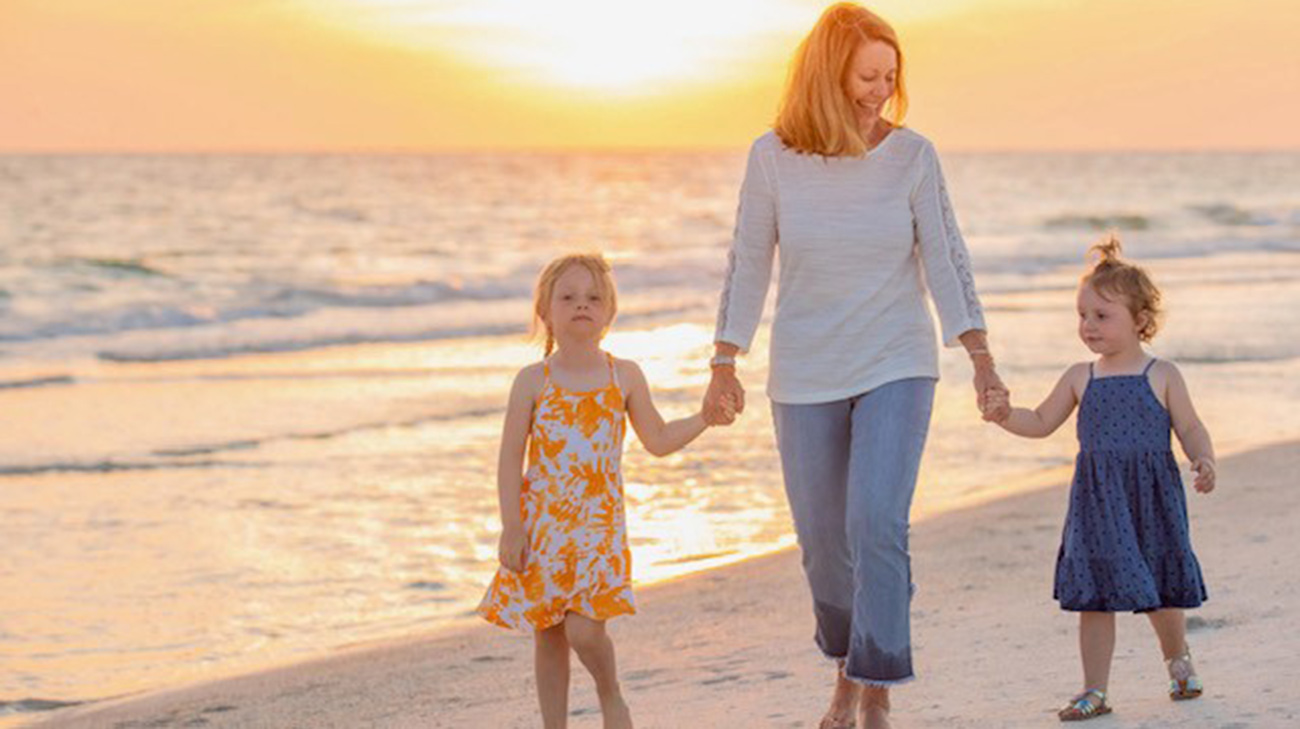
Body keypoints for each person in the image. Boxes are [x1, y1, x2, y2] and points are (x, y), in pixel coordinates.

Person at [702, 4, 1009, 727]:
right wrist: (724, 357)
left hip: (896, 359)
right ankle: (846, 659)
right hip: (805, 369)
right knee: (822, 544)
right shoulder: (772, 157)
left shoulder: (912, 157)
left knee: (877, 520)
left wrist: (980, 358)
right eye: (867, 75)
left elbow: (946, 256)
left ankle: (873, 684)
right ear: (827, 73)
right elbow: (748, 261)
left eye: (890, 76)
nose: (880, 90)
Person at [479, 253, 729, 729]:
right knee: (549, 634)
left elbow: (656, 440)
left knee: (584, 631)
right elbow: (510, 458)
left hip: (598, 530)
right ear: (545, 311)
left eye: (594, 297)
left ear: (610, 313)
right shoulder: (533, 381)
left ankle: (610, 692)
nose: (581, 305)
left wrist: (704, 418)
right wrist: (512, 526)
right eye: (568, 297)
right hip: (544, 529)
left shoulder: (624, 375)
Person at [985, 236, 1215, 721]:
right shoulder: (1079, 376)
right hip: (1097, 503)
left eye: (1102, 316)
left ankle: (1178, 662)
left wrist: (1203, 459)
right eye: (1082, 315)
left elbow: (1190, 426)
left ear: (1141, 321)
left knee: (1161, 592)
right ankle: (1095, 690)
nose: (1088, 326)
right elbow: (1042, 421)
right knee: (1095, 595)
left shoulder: (1162, 373)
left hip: (1149, 499)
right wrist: (1005, 415)